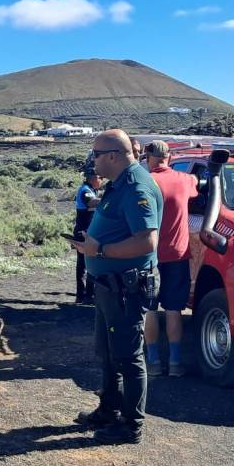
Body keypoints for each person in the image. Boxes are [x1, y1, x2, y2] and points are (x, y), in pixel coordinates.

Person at [70, 130, 161, 445]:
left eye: (96, 154)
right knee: (108, 352)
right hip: (111, 285)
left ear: (112, 155)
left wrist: (99, 251)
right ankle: (109, 410)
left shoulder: (137, 186)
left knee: (128, 355)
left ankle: (131, 426)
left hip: (127, 286)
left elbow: (146, 241)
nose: (92, 160)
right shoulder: (120, 185)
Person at [141, 140, 198, 378]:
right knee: (174, 309)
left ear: (148, 158)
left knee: (150, 309)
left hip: (149, 256)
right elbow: (198, 184)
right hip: (178, 255)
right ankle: (175, 362)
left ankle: (153, 361)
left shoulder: (146, 181)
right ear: (170, 157)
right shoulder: (185, 181)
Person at [73, 173, 102, 303]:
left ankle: (87, 294)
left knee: (88, 264)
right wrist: (109, 199)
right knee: (84, 265)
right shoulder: (85, 190)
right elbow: (91, 202)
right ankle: (83, 294)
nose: (101, 180)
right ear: (92, 178)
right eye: (100, 178)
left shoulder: (91, 190)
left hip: (88, 233)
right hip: (83, 233)